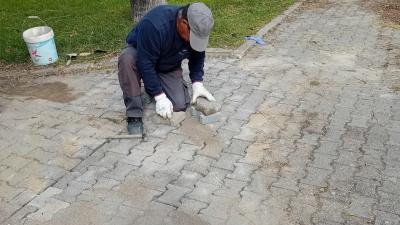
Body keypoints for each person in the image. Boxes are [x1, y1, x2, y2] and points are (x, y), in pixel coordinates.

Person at [117, 2, 216, 135]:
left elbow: (198, 55)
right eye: (194, 37)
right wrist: (159, 96)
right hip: (141, 53)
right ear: (184, 24)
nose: (194, 41)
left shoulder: (196, 29)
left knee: (179, 104)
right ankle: (134, 114)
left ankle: (153, 85)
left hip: (167, 62)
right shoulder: (155, 25)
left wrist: (197, 83)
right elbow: (145, 63)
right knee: (127, 60)